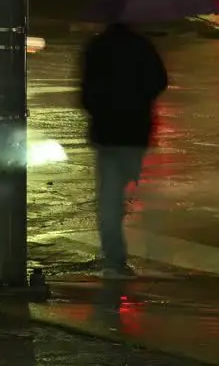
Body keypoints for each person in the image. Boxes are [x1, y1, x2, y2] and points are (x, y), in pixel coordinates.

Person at [80, 20, 169, 279]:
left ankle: (114, 260)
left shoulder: (96, 47)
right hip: (135, 131)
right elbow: (160, 81)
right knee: (136, 187)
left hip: (107, 134)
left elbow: (86, 92)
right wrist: (140, 100)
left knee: (109, 198)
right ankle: (150, 250)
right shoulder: (142, 46)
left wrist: (100, 110)